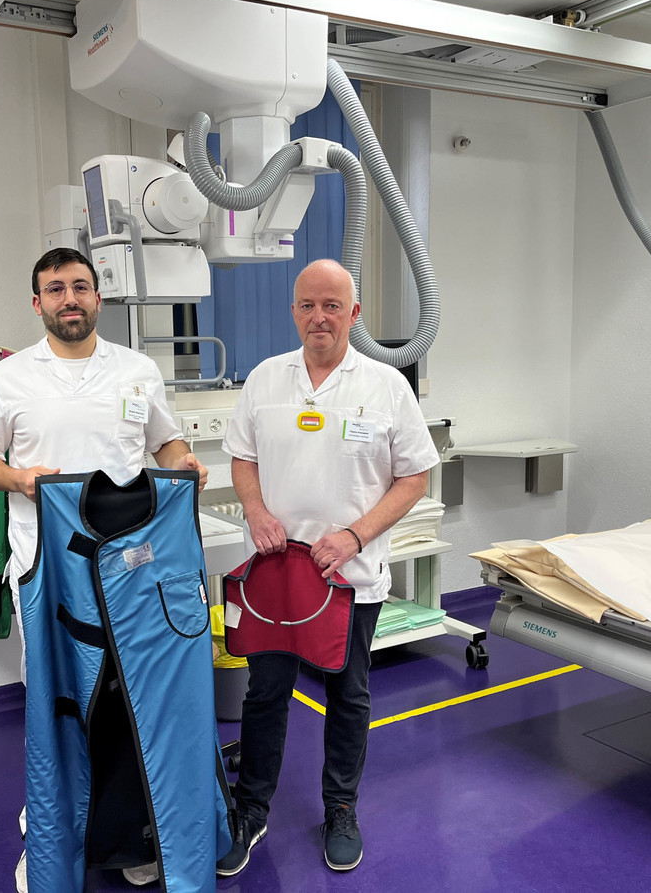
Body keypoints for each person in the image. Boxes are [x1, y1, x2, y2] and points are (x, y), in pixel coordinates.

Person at [0, 247, 207, 890]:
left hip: (130, 569)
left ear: (98, 297)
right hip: (46, 569)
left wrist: (182, 463)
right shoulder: (9, 377)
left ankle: (130, 830)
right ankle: (50, 827)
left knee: (130, 697)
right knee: (57, 701)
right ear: (37, 302)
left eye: (79, 287)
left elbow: (165, 442)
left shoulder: (137, 370)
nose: (69, 299)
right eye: (55, 289)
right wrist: (20, 479)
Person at [218, 259, 438, 875]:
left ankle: (340, 807)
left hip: (350, 578)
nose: (320, 317)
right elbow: (242, 457)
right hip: (276, 574)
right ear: (294, 311)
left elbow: (415, 477)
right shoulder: (265, 379)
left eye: (332, 305)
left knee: (348, 693)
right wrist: (256, 511)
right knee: (266, 692)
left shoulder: (386, 386)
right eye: (308, 305)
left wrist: (354, 536)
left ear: (354, 313)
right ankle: (251, 809)